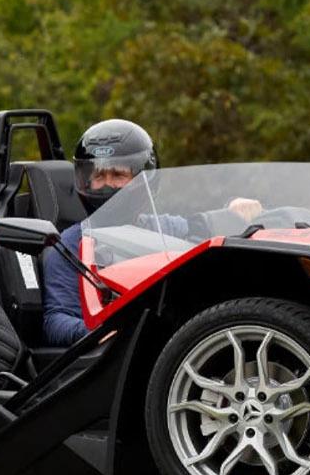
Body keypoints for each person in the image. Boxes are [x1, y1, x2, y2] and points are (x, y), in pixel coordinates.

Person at [39, 120, 263, 346]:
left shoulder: (160, 227)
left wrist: (235, 211)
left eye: (117, 175)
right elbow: (56, 320)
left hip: (174, 347)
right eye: (99, 177)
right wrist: (102, 331)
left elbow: (199, 225)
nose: (107, 185)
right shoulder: (68, 245)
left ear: (144, 179)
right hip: (113, 360)